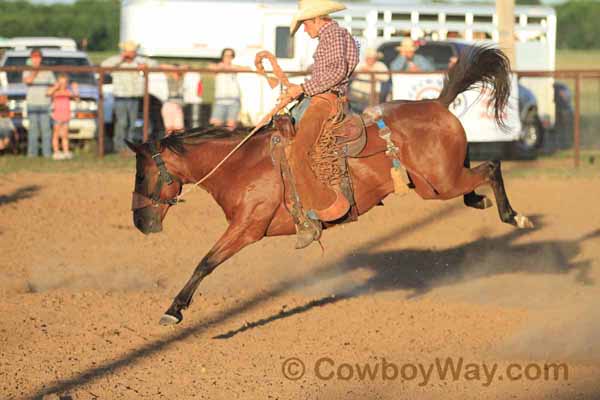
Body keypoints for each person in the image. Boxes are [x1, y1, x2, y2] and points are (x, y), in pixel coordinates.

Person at [281, 0, 359, 248]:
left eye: (305, 24)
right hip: (320, 97)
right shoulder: (336, 35)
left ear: (316, 19)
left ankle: (317, 213)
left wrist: (303, 88)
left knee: (296, 151)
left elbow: (337, 72)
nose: (304, 30)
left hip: (324, 101)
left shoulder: (332, 34)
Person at [101, 40, 157, 153]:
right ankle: (119, 146)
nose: (131, 53)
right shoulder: (116, 61)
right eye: (129, 51)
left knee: (132, 123)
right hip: (120, 96)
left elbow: (155, 64)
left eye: (132, 51)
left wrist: (145, 66)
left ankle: (128, 147)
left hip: (134, 96)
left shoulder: (139, 61)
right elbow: (104, 65)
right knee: (122, 122)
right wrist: (121, 59)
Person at [22, 49, 55, 157]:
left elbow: (53, 84)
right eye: (34, 57)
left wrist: (51, 91)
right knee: (33, 131)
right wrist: (35, 70)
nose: (36, 59)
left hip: (45, 103)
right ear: (31, 58)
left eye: (38, 57)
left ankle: (47, 154)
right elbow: (28, 81)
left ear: (41, 58)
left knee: (46, 130)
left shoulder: (48, 71)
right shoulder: (26, 69)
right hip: (32, 103)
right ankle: (32, 154)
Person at [209, 48, 250, 130]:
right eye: (226, 55)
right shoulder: (218, 66)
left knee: (230, 128)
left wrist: (232, 68)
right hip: (220, 101)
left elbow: (248, 68)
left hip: (234, 101)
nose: (228, 57)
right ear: (222, 56)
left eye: (230, 56)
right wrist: (224, 67)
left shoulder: (234, 67)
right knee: (214, 127)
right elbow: (211, 67)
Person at [47, 73, 79, 160]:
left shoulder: (68, 92)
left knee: (65, 135)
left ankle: (65, 151)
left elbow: (77, 99)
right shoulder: (55, 92)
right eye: (61, 83)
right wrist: (55, 87)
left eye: (64, 83)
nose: (62, 85)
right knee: (56, 134)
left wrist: (75, 89)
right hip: (57, 116)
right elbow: (48, 93)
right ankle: (56, 151)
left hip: (66, 116)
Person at [350, 48, 389, 112]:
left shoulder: (380, 65)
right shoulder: (360, 65)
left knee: (375, 112)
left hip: (374, 94)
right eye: (369, 57)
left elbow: (386, 77)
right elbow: (352, 74)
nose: (371, 59)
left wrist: (371, 72)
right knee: (357, 109)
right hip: (357, 94)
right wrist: (359, 71)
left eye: (372, 58)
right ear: (366, 58)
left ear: (375, 58)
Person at [160, 63, 187, 134]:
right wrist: (173, 68)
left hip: (177, 106)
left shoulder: (182, 79)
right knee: (169, 130)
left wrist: (179, 68)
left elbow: (186, 67)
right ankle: (167, 145)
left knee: (179, 130)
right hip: (169, 105)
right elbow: (162, 66)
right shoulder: (169, 78)